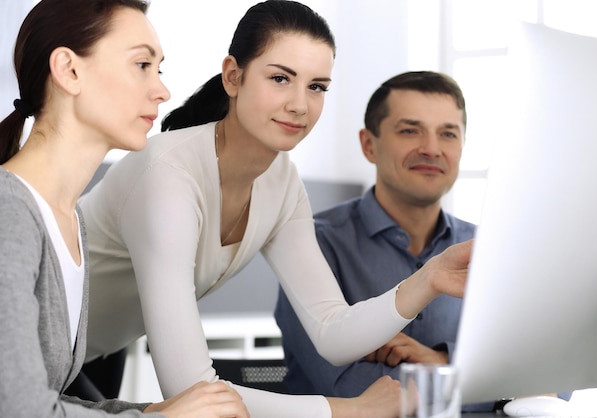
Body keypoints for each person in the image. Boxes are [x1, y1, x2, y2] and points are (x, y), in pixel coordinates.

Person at [78, 1, 473, 417]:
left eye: (317, 86)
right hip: (27, 342)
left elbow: (332, 331)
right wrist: (348, 411)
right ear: (234, 76)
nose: (300, 105)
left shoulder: (282, 183)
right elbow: (191, 390)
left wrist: (429, 278)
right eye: (281, 78)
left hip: (97, 350)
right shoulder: (167, 173)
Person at [0, 1, 249, 417]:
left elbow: (49, 401)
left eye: (160, 69)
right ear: (69, 70)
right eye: (141, 65)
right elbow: (20, 409)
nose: (163, 91)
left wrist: (155, 411)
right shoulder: (10, 212)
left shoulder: (69, 220)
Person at [274, 69, 476, 395]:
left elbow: (548, 372)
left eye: (448, 134)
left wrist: (441, 360)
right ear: (369, 145)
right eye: (410, 130)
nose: (431, 148)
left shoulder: (484, 251)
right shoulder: (314, 244)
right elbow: (351, 388)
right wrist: (465, 374)